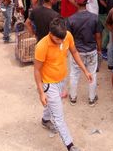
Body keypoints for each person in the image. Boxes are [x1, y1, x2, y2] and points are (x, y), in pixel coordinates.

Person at [33, 18, 93, 151]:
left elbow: (75, 52)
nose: (62, 42)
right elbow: (37, 70)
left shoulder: (67, 36)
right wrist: (41, 93)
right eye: (58, 39)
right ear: (51, 34)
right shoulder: (42, 46)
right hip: (49, 84)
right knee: (59, 116)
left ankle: (45, 120)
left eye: (63, 38)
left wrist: (85, 70)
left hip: (62, 79)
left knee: (54, 105)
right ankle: (70, 145)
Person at [67, 0, 102, 106]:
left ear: (76, 2)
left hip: (77, 52)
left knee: (74, 74)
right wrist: (99, 49)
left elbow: (68, 37)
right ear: (87, 2)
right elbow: (98, 35)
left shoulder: (71, 19)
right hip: (91, 50)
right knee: (92, 74)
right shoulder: (94, 18)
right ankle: (92, 98)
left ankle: (73, 97)